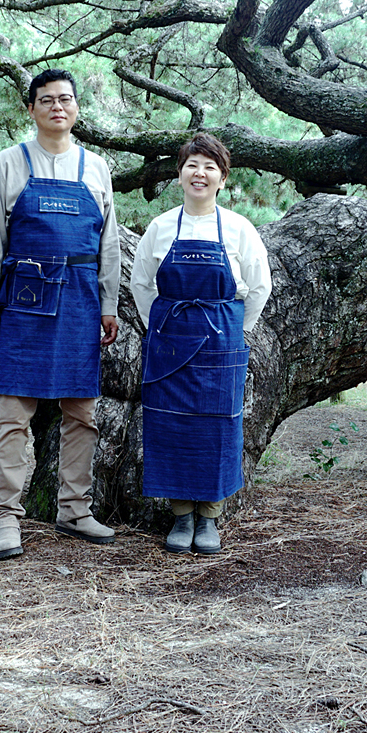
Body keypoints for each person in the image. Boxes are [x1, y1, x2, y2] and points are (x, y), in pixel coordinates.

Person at [0, 69, 121, 562]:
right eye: (46, 100)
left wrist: (108, 304)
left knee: (81, 414)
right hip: (25, 300)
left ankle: (74, 510)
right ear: (32, 109)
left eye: (65, 99)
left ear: (77, 107)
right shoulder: (8, 163)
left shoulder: (97, 167)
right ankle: (5, 519)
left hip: (82, 300)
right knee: (14, 415)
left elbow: (110, 245)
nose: (57, 106)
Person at [130, 133, 271, 554]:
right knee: (172, 424)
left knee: (218, 426)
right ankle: (180, 516)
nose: (200, 173)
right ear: (180, 174)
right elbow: (141, 285)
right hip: (170, 340)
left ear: (222, 179)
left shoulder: (239, 228)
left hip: (220, 344)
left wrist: (232, 330)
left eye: (210, 166)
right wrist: (163, 327)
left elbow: (260, 287)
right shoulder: (160, 227)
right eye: (193, 164)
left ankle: (209, 518)